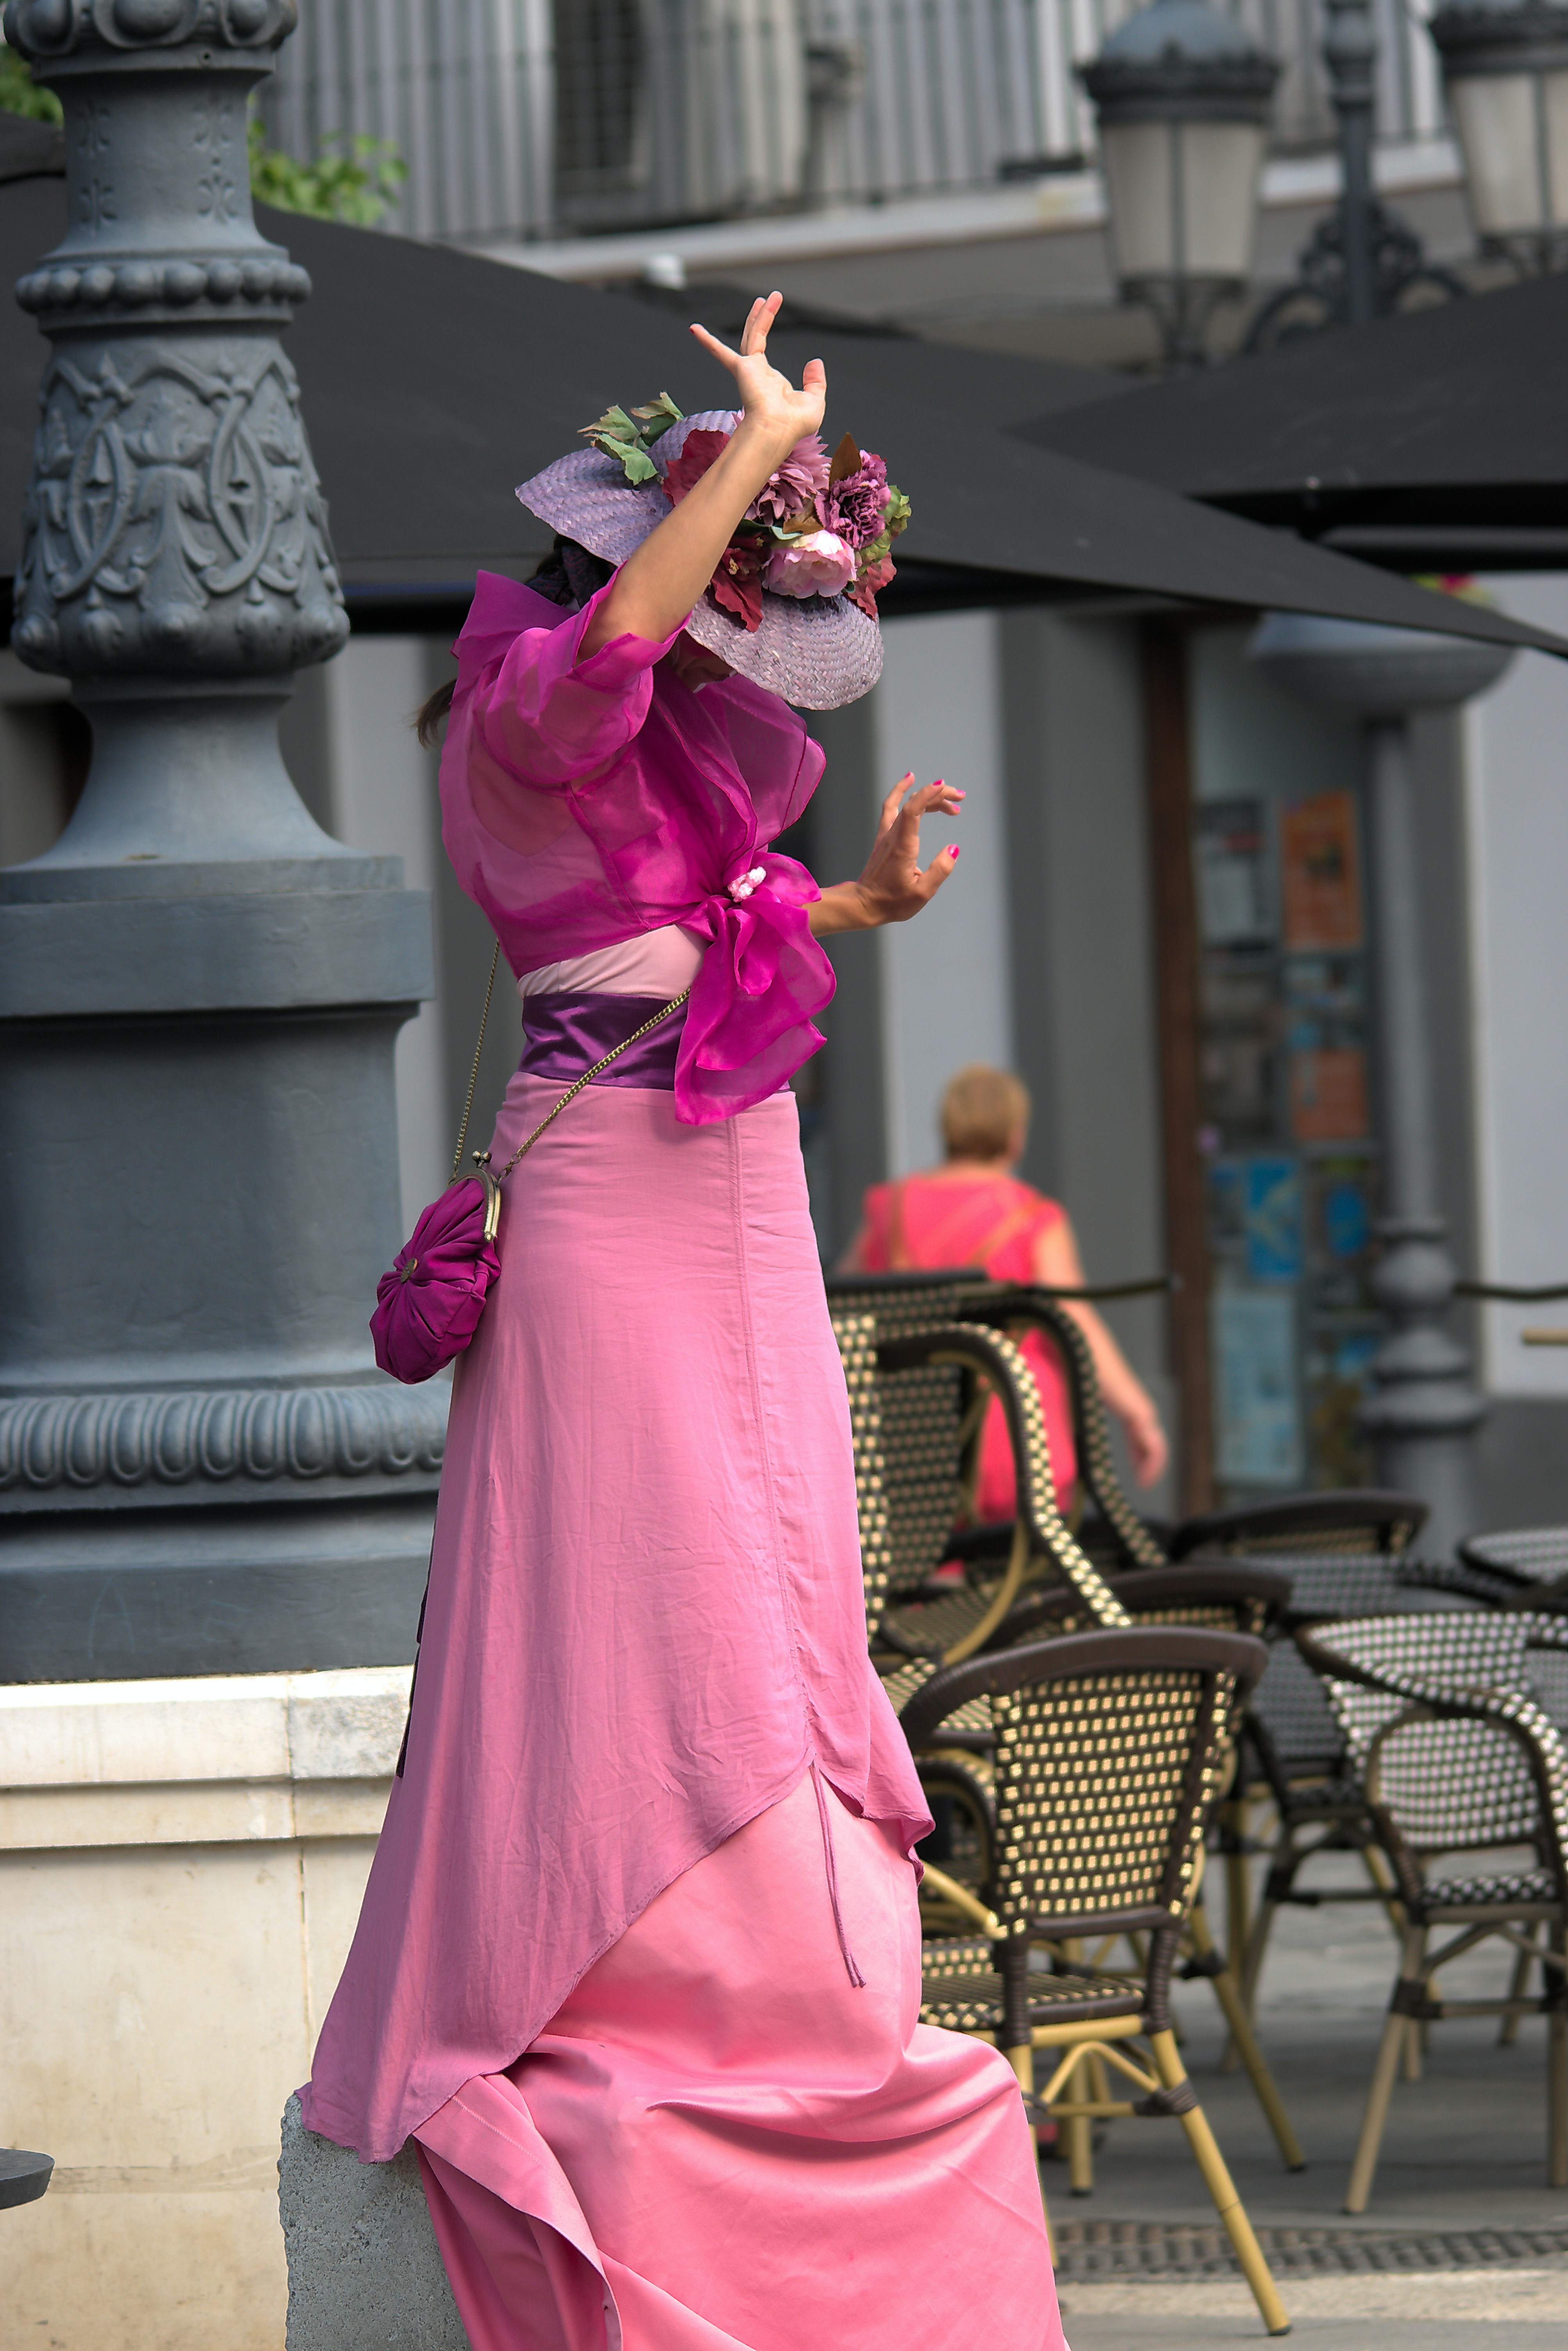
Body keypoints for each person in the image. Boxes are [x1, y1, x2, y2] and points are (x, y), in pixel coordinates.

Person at [299, 297, 1064, 2351]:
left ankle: (792, 1965)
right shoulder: (528, 706)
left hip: (728, 1180)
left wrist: (868, 908)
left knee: (768, 1546)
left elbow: (705, 914)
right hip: (615, 1184)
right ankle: (624, 1974)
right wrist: (746, 452)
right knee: (646, 1562)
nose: (730, 651)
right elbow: (627, 645)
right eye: (728, 595)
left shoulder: (633, 766)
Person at [843, 1063, 1169, 1519]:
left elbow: (840, 1311)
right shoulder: (1031, 1216)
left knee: (924, 1582)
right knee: (1024, 1581)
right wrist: (1137, 1412)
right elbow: (1076, 1324)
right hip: (1016, 1438)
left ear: (947, 1128)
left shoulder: (887, 1208)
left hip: (912, 1444)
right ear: (1015, 1136)